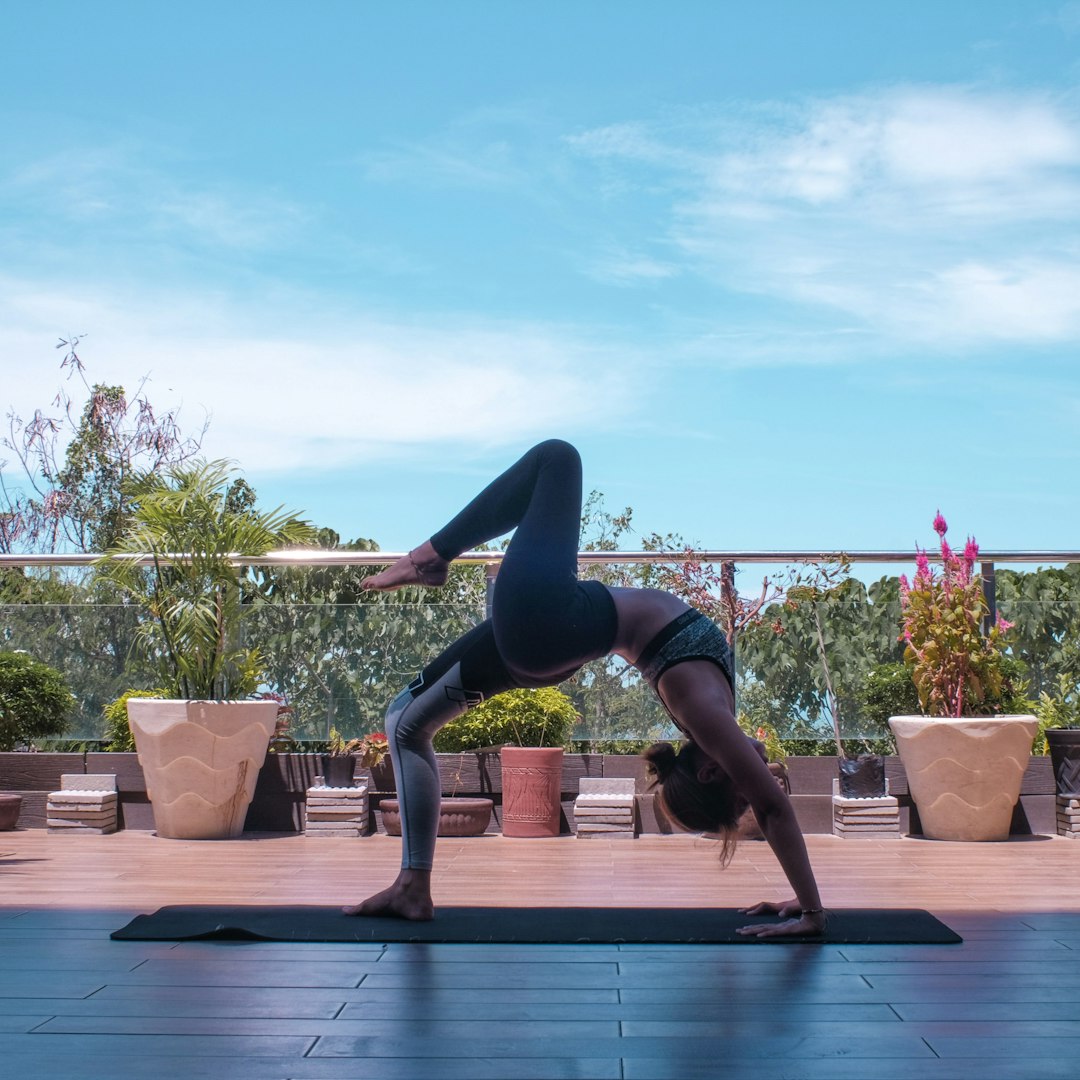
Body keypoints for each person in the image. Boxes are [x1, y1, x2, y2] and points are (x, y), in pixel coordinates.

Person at [343, 440, 825, 939]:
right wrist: (802, 899)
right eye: (748, 797)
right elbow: (761, 798)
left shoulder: (706, 714)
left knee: (557, 458)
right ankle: (412, 888)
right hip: (549, 645)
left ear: (708, 768)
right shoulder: (709, 714)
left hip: (550, 624)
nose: (759, 783)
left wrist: (811, 912)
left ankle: (427, 559)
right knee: (404, 723)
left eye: (740, 791)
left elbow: (774, 809)